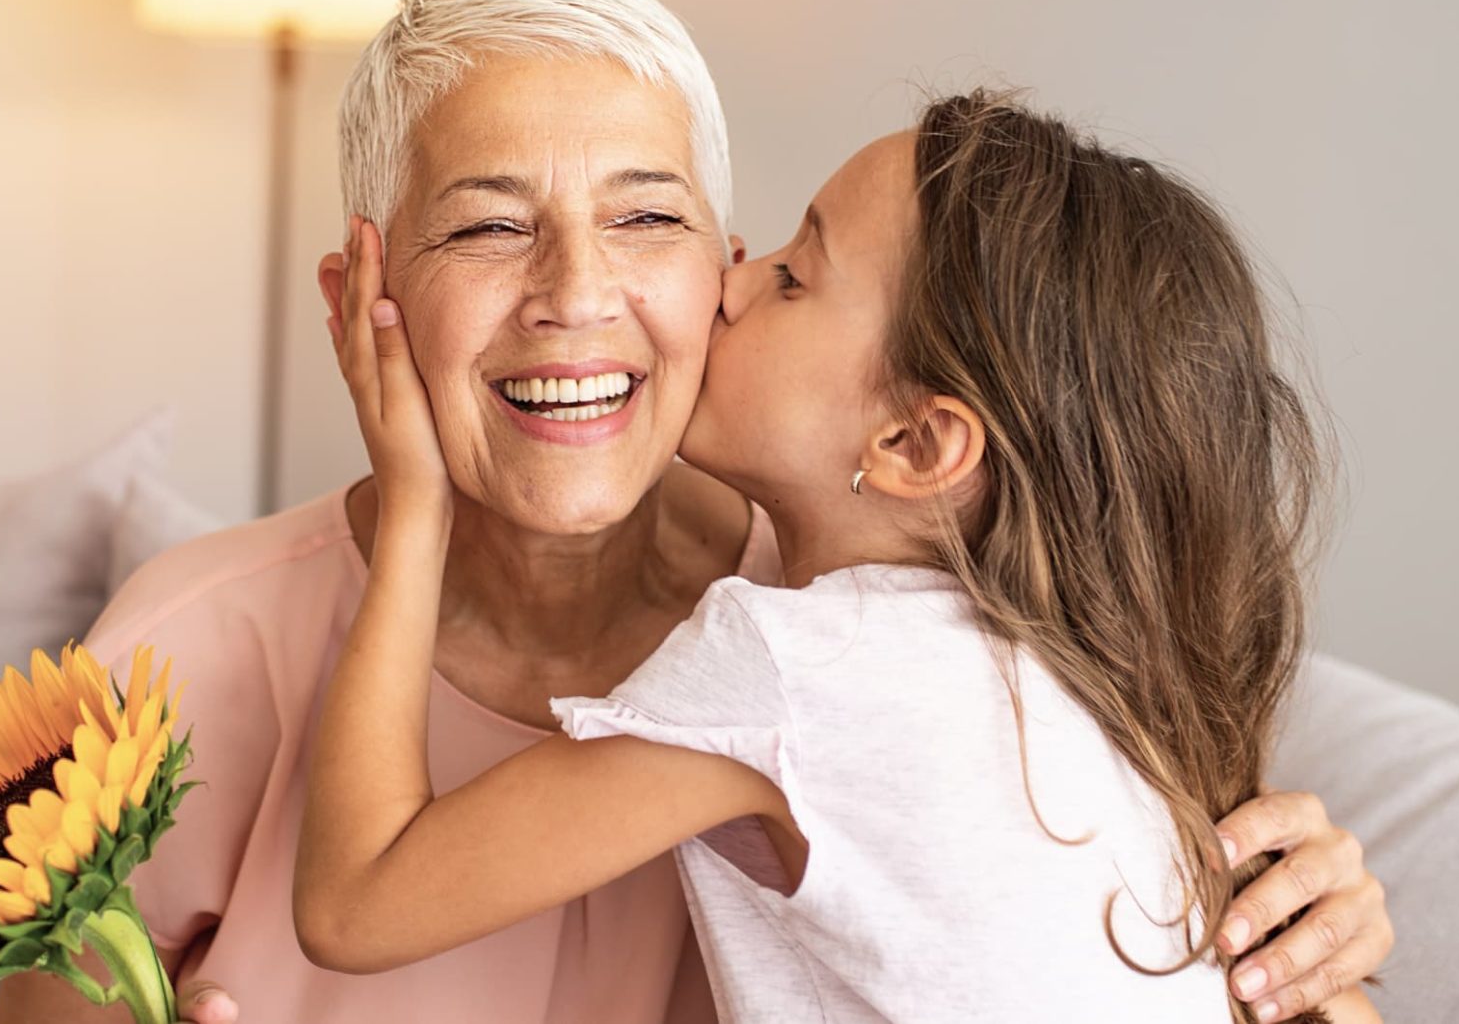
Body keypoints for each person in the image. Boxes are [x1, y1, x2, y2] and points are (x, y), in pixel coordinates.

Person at [0, 0, 1390, 1024]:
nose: (580, 296)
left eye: (656, 221)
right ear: (367, 297)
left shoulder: (814, 632)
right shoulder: (182, 655)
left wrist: (1301, 920)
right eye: (489, 224)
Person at [298, 89, 1372, 1024]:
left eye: (794, 276)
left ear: (912, 443)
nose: (727, 277)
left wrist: (414, 509)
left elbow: (358, 899)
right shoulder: (1055, 671)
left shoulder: (797, 662)